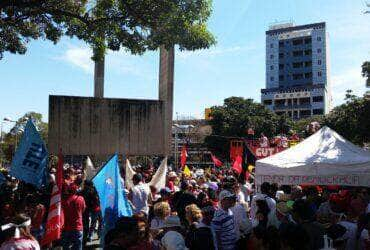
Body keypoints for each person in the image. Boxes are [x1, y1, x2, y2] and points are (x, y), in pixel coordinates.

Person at [61, 183, 86, 250]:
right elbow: (83, 210)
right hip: (78, 226)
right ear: (76, 190)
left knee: (66, 247)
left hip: (67, 227)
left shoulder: (64, 201)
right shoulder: (81, 199)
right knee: (78, 247)